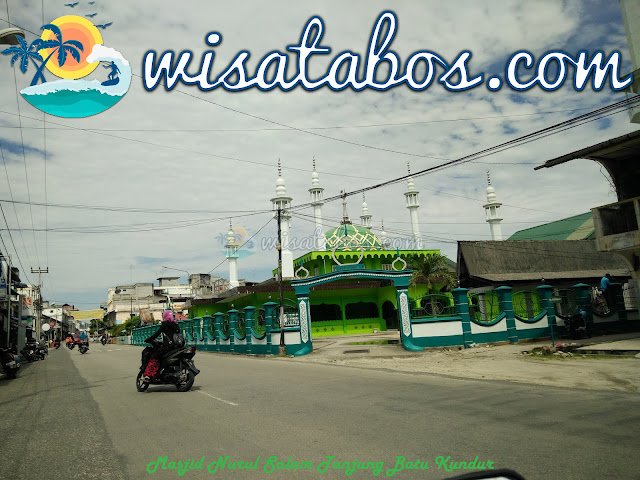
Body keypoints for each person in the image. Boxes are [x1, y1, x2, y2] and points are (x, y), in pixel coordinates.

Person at [142, 311, 180, 381]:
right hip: (176, 347)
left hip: (167, 347)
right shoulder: (176, 324)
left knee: (154, 357)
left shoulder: (165, 324)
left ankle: (148, 375)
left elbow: (157, 334)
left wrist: (148, 339)